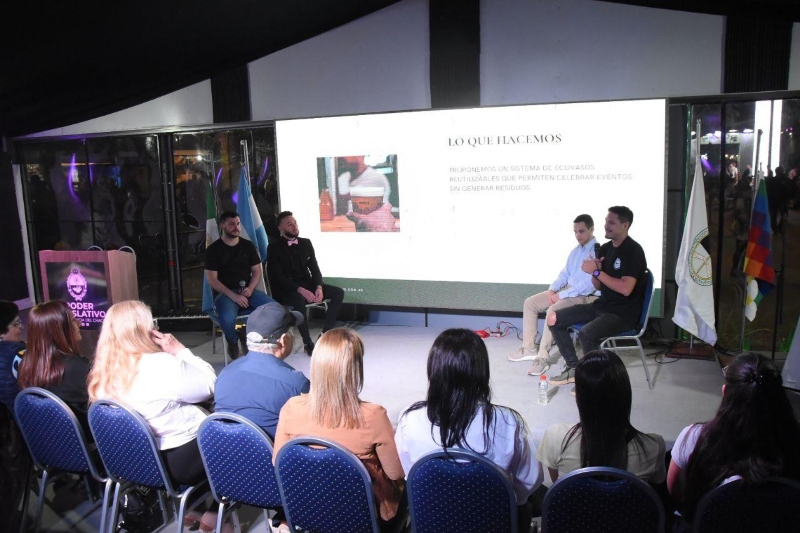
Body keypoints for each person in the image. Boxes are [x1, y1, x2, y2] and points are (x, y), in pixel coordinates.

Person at [88, 300, 224, 532]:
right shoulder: (160, 365)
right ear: (144, 331)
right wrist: (180, 350)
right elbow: (210, 385)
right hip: (175, 463)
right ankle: (217, 514)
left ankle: (193, 507)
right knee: (235, 442)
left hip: (134, 460)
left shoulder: (102, 371)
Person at [395, 328, 543, 531]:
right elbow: (529, 482)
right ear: (482, 371)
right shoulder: (508, 422)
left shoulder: (410, 420)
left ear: (434, 370)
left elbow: (411, 475)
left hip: (435, 522)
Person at [273, 328, 405, 530]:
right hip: (363, 517)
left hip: (308, 509)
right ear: (355, 369)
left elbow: (278, 462)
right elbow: (396, 474)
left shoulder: (291, 408)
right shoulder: (373, 416)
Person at [667, 353, 800, 525]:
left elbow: (675, 493)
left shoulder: (693, 437)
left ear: (725, 392)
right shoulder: (793, 441)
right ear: (780, 395)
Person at [547, 206, 648, 387]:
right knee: (554, 318)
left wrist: (596, 272)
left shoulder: (633, 250)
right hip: (602, 305)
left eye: (612, 222)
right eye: (606, 221)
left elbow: (626, 289)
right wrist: (595, 272)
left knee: (587, 334)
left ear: (625, 225)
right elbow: (598, 285)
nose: (606, 226)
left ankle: (593, 382)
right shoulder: (605, 249)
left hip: (623, 314)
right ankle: (574, 368)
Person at [537, 349, 665, 483]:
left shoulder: (556, 437)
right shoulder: (654, 446)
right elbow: (654, 486)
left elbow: (558, 485)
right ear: (626, 393)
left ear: (579, 397)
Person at [508, 214, 600, 376]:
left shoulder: (597, 251)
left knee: (553, 311)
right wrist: (553, 289)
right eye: (575, 232)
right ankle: (529, 348)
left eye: (581, 231)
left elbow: (588, 285)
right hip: (568, 290)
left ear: (591, 229)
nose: (578, 235)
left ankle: (542, 357)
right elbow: (564, 274)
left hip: (584, 295)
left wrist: (561, 295)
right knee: (530, 303)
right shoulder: (575, 252)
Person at [214, 302, 309, 439]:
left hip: (224, 451)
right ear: (283, 340)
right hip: (273, 453)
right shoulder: (296, 384)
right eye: (292, 332)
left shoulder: (225, 374)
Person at [266, 211, 345, 355]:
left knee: (338, 292)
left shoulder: (306, 243)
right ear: (280, 228)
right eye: (289, 224)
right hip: (287, 289)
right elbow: (278, 277)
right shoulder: (273, 247)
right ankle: (307, 342)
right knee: (298, 299)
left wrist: (319, 287)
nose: (294, 226)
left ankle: (325, 334)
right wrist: (300, 289)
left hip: (308, 284)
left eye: (295, 223)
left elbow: (315, 270)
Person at [205, 210, 275, 359]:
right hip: (225, 294)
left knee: (273, 309)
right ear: (222, 226)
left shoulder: (247, 246)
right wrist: (233, 296)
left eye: (237, 223)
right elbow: (212, 280)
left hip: (247, 291)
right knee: (227, 318)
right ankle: (232, 340)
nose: (236, 227)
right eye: (231, 224)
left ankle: (255, 339)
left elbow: (257, 271)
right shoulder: (213, 250)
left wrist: (250, 288)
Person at [17, 301, 91, 434]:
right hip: (87, 441)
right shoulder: (78, 368)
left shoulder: (25, 366)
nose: (79, 323)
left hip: (47, 442)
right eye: (74, 320)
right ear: (59, 330)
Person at [0, 301, 25, 413]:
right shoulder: (19, 355)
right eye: (16, 324)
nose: (21, 327)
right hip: (22, 415)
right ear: (1, 332)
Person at [730, 173, 752, 277]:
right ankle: (737, 269)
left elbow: (735, 213)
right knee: (740, 250)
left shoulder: (742, 200)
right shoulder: (746, 200)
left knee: (741, 250)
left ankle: (737, 269)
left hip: (745, 227)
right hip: (744, 227)